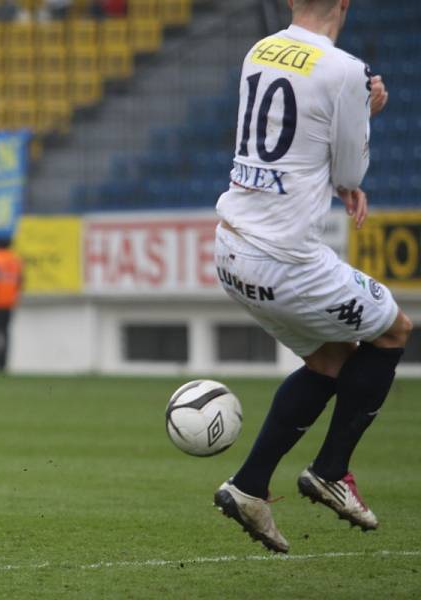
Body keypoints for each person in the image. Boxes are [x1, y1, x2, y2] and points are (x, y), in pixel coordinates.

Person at [212, 0, 411, 554]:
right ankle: (330, 469)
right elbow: (349, 170)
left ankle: (249, 487)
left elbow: (292, 131)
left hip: (230, 247)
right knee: (394, 330)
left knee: (328, 362)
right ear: (343, 4)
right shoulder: (345, 69)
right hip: (285, 260)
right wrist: (366, 107)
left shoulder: (261, 49)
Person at [0, 238, 23, 371]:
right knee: (5, 333)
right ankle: (4, 363)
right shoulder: (15, 260)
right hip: (9, 301)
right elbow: (20, 280)